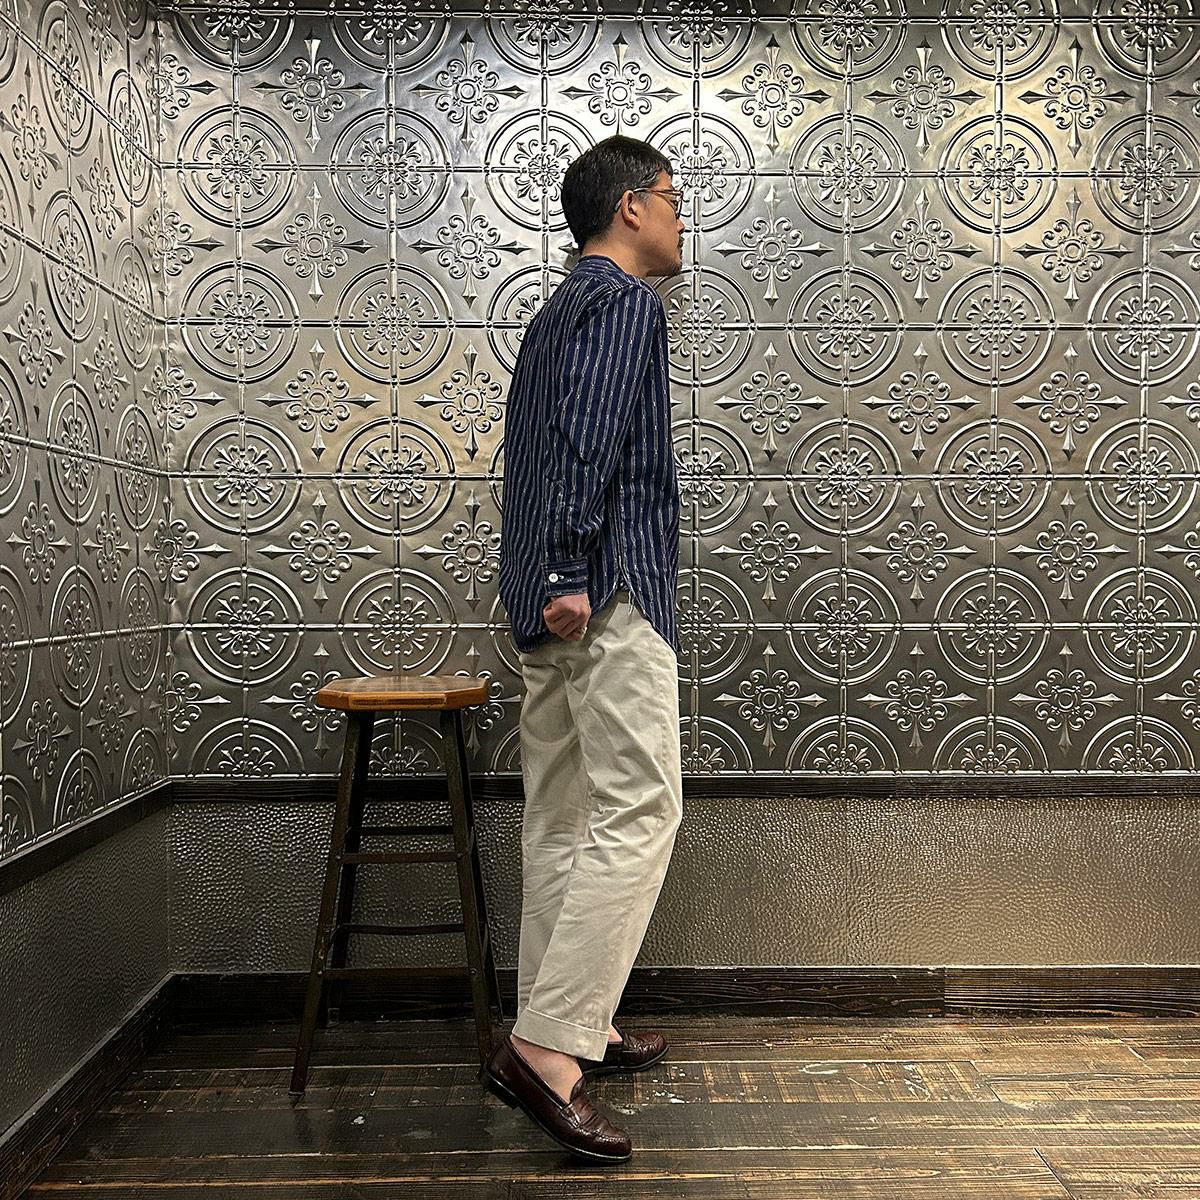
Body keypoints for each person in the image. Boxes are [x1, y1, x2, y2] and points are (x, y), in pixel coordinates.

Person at [489, 135, 686, 1163]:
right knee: (642, 809)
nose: (681, 219)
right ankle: (547, 1051)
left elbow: (535, 450)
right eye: (673, 198)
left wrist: (546, 575)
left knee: (565, 820)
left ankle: (575, 1017)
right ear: (631, 207)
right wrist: (573, 567)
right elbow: (586, 443)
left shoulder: (557, 309)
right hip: (602, 592)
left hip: (548, 599)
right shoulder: (623, 305)